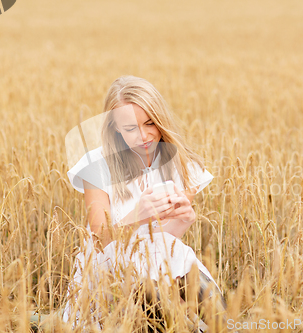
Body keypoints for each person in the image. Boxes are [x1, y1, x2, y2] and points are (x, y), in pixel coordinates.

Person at [62, 76, 225, 331]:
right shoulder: (96, 166)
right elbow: (99, 240)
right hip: (108, 272)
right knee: (165, 273)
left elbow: (164, 240)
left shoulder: (184, 164)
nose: (144, 135)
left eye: (150, 123)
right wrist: (137, 217)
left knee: (171, 252)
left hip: (161, 263)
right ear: (115, 128)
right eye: (130, 129)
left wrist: (183, 221)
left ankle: (218, 323)